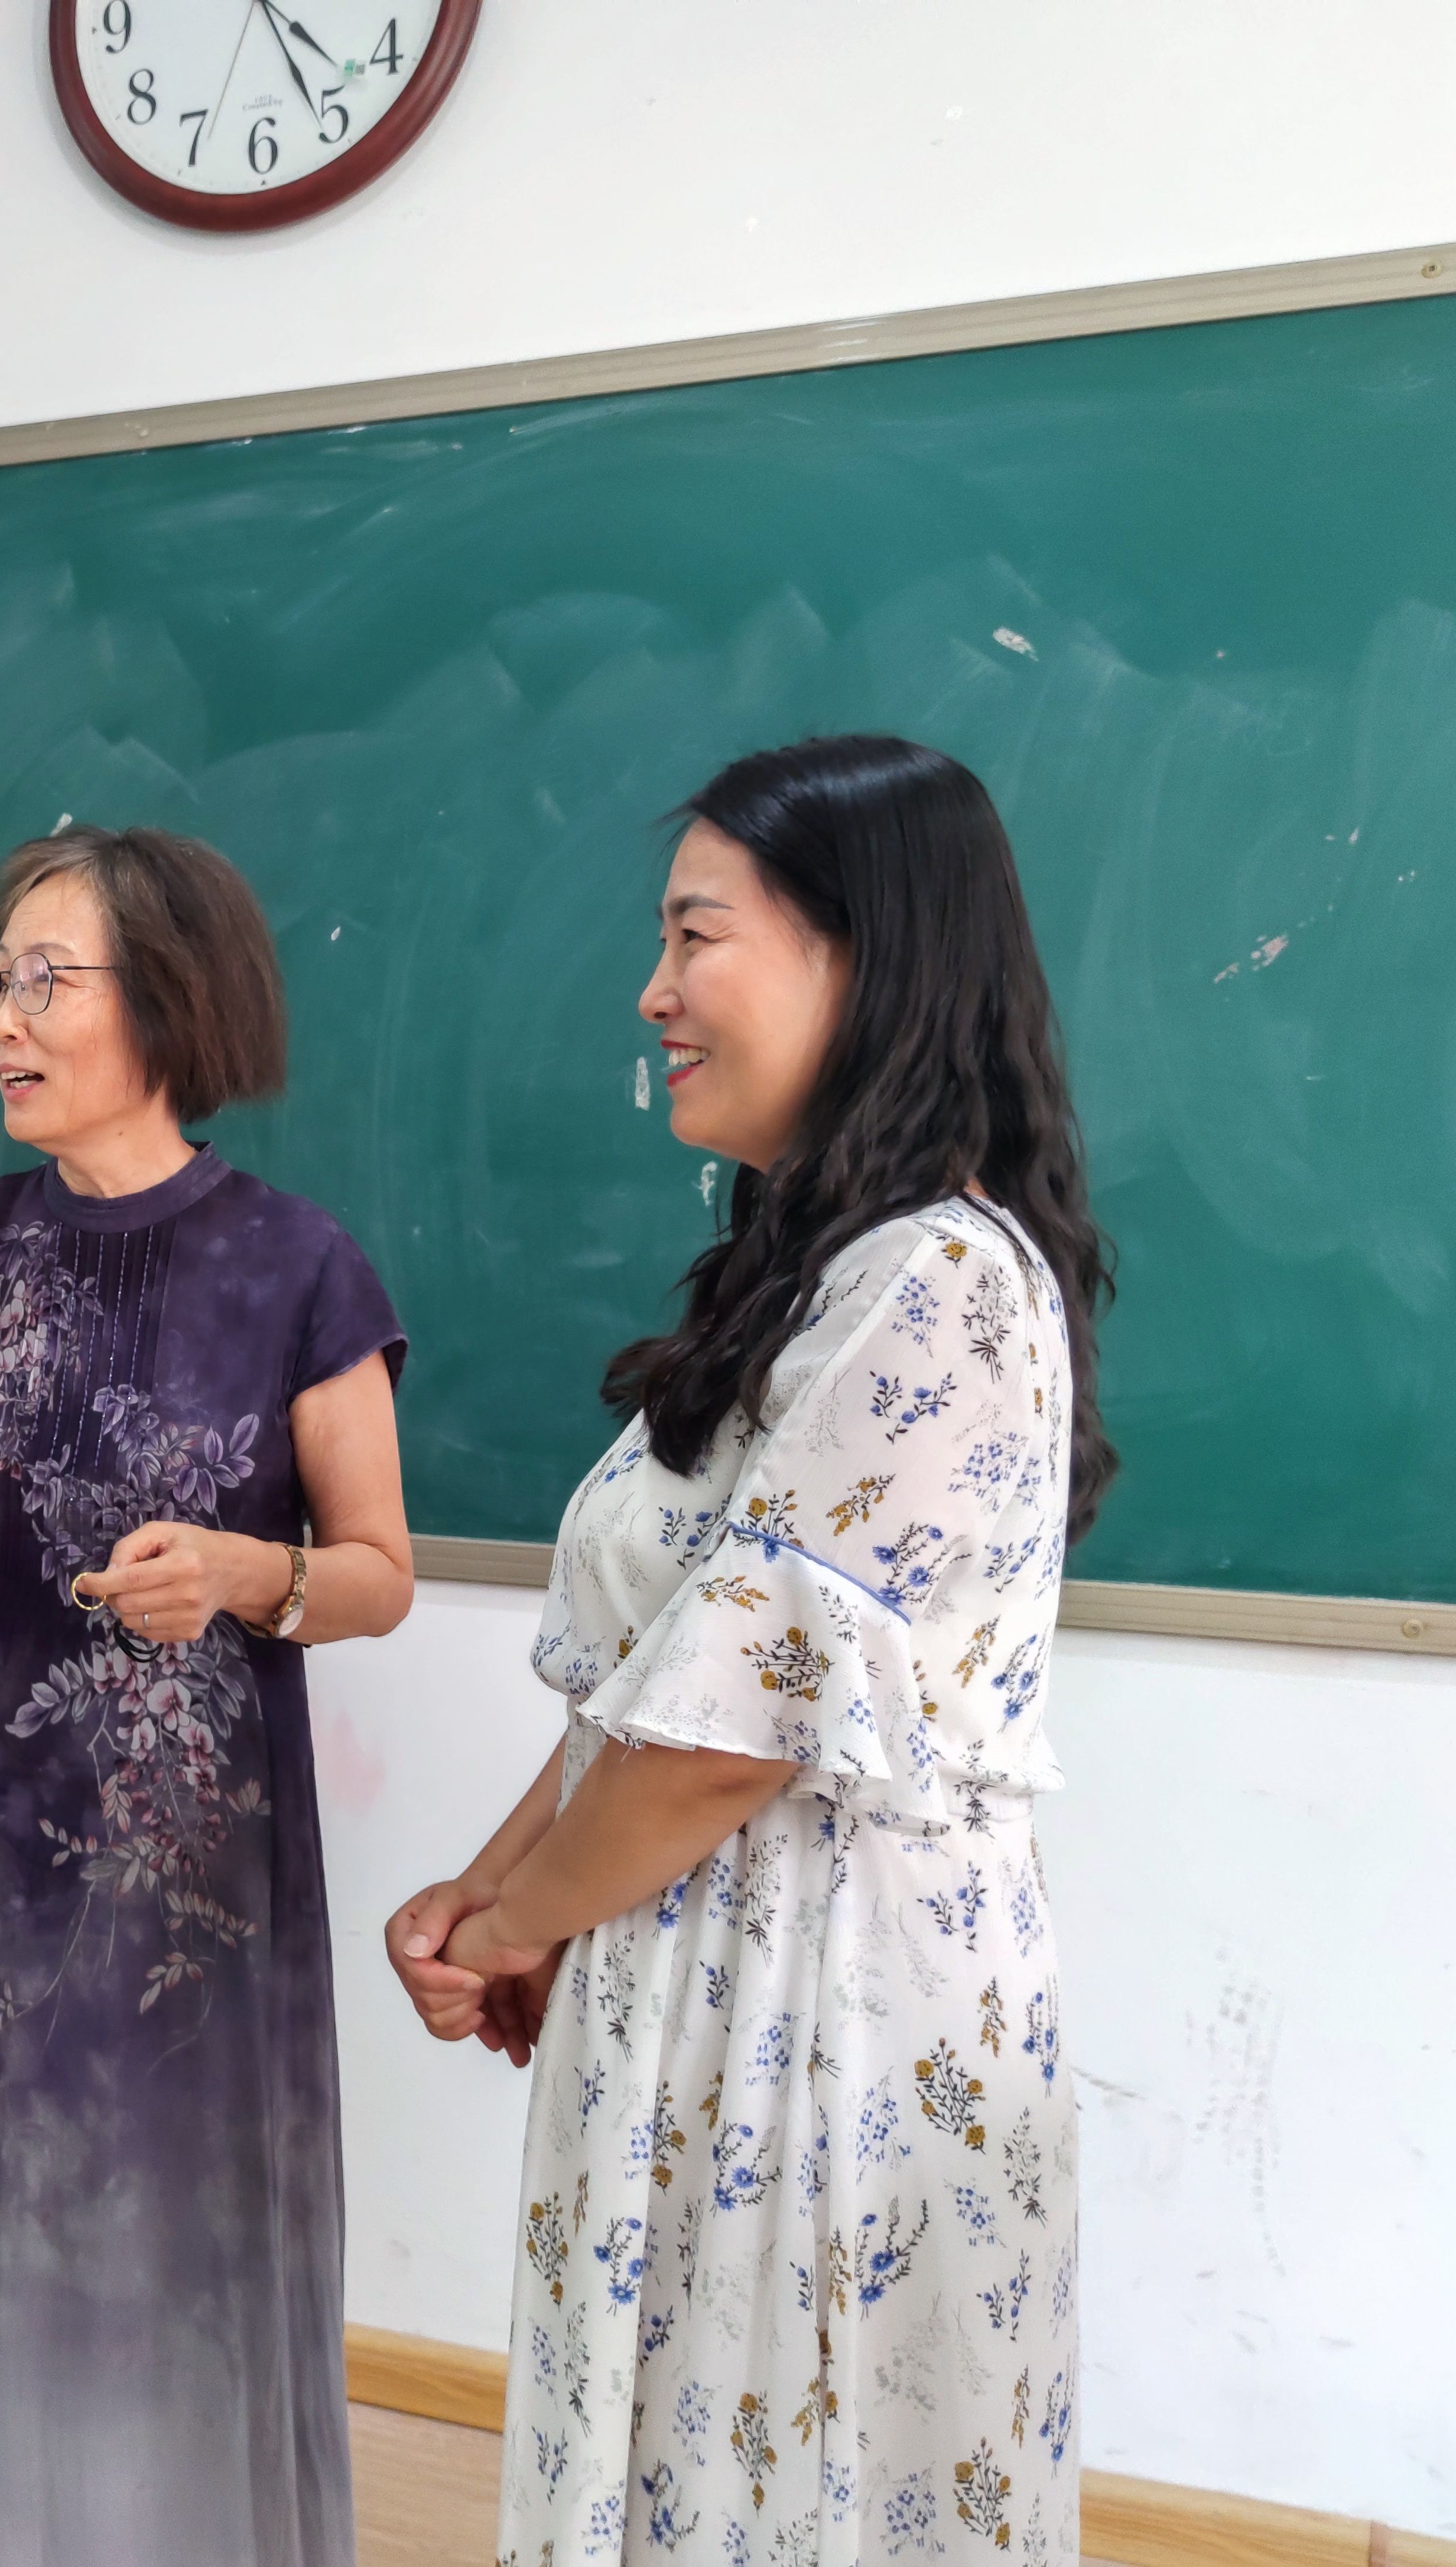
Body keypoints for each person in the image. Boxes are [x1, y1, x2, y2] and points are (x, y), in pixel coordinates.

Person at [386, 737, 1114, 2564]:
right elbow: (664, 1677)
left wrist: (520, 1922)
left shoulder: (934, 1280)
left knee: (801, 2500)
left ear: (867, 954)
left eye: (696, 935)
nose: (654, 992)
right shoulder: (813, 1269)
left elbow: (729, 1744)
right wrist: (492, 1892)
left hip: (827, 2019)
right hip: (711, 1984)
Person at [0, 825, 415, 2567]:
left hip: (182, 1872)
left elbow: (378, 1571)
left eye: (48, 981)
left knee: (162, 2237)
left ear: (171, 999)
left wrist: (244, 1575)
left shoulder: (298, 1266)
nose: (3, 1020)